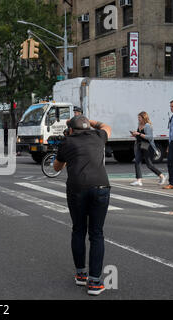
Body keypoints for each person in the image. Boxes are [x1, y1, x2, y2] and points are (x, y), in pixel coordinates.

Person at [53, 115, 112, 296]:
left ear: (71, 129)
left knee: (79, 229)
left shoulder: (67, 142)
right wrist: (91, 122)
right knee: (97, 233)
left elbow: (56, 167)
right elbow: (106, 126)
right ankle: (95, 282)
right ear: (88, 128)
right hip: (101, 186)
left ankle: (80, 275)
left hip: (77, 188)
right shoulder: (99, 136)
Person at [130, 112, 166, 186]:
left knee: (149, 164)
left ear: (144, 118)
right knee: (137, 162)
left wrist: (139, 134)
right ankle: (139, 180)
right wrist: (135, 135)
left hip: (148, 147)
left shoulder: (147, 126)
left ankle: (162, 176)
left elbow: (150, 137)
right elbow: (139, 137)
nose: (138, 119)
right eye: (138, 118)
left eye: (139, 118)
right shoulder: (139, 125)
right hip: (140, 146)